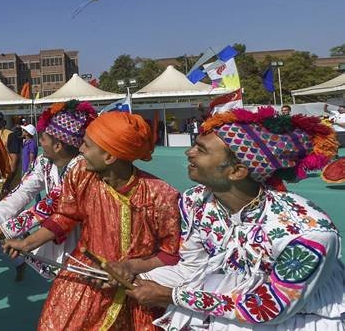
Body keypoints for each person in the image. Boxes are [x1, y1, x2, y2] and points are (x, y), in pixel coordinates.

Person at [129, 106, 345, 330]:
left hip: (302, 321)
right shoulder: (197, 201)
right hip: (234, 315)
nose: (189, 153)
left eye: (201, 150)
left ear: (237, 171)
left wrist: (170, 296)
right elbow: (191, 269)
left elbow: (268, 308)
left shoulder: (306, 233)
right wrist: (135, 276)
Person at [2, 111, 182, 330]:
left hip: (137, 289)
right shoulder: (80, 173)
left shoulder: (161, 195)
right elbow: (65, 215)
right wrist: (26, 244)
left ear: (109, 157)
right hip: (85, 277)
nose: (80, 149)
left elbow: (170, 253)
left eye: (87, 145)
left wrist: (128, 267)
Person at [0, 101, 96, 280]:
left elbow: (51, 203)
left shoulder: (82, 167)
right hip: (58, 236)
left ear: (58, 146)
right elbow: (22, 192)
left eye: (43, 139)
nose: (39, 142)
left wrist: (2, 229)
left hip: (87, 243)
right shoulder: (44, 162)